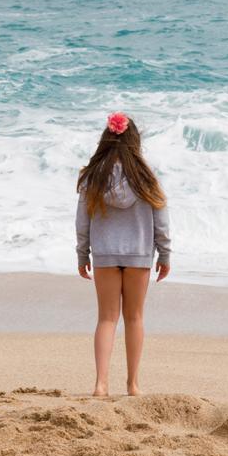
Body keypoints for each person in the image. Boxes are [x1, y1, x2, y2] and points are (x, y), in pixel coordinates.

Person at [76, 112, 170, 397]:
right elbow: (161, 219)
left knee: (106, 318)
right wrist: (164, 254)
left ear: (106, 140)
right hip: (138, 254)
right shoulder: (145, 177)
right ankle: (133, 384)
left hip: (104, 253)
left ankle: (100, 384)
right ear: (135, 142)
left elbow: (82, 220)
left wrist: (83, 254)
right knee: (135, 318)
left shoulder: (94, 176)